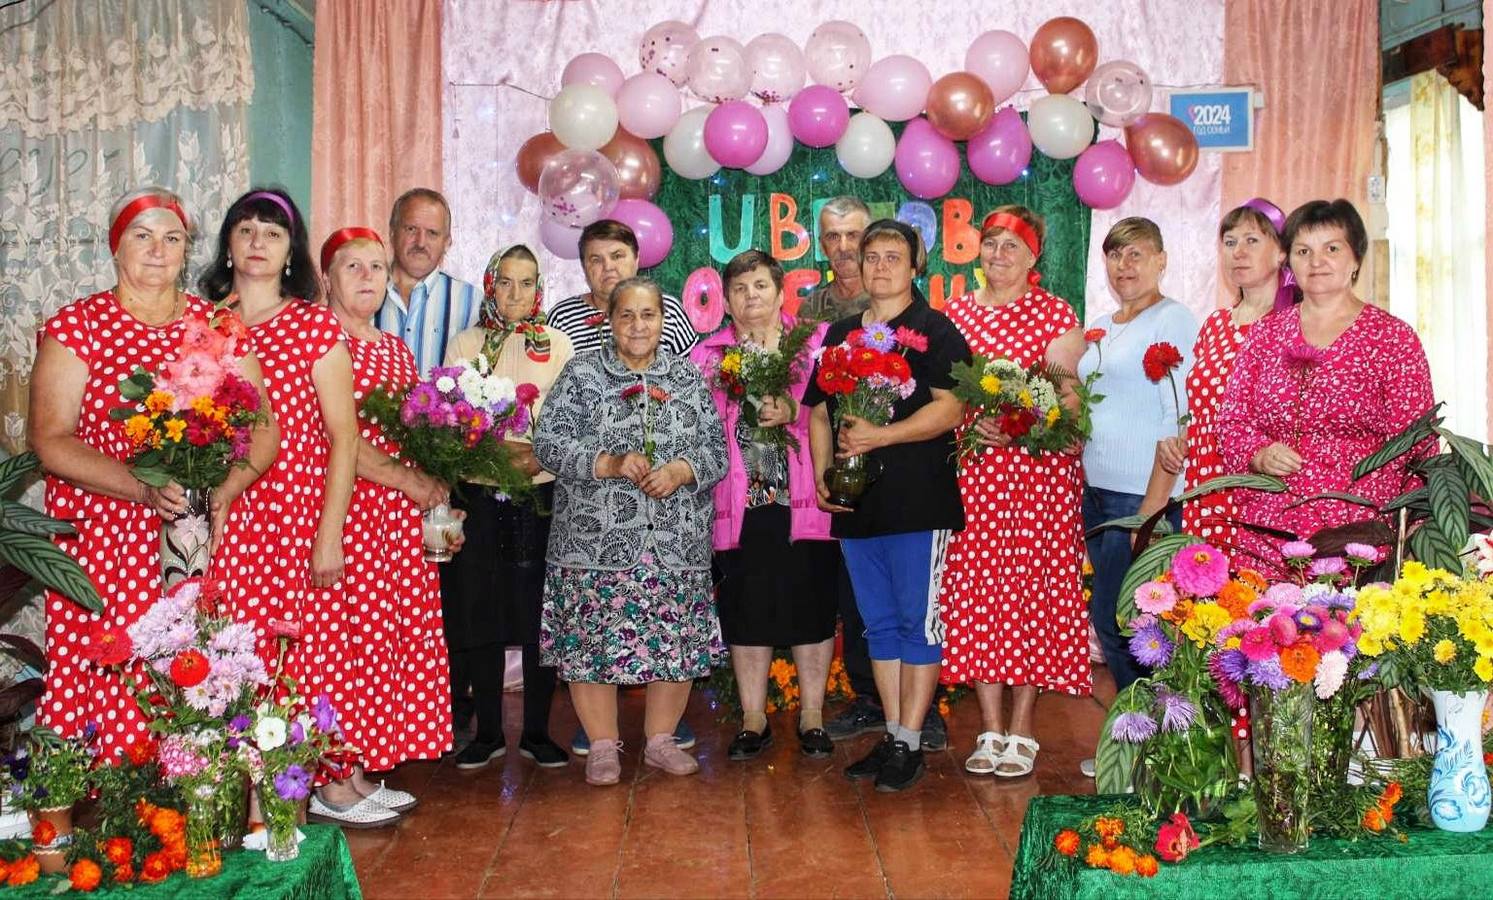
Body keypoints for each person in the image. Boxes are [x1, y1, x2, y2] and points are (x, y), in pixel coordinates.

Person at [29, 187, 278, 758]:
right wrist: (142, 487)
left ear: (187, 250)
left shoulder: (217, 324)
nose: (158, 250)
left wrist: (226, 489)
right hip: (103, 536)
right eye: (142, 236)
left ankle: (194, 791)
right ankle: (107, 792)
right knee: (106, 666)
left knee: (198, 668)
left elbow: (263, 428)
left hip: (201, 537)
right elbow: (49, 439)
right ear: (116, 247)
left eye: (172, 238)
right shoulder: (77, 327)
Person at [535, 276, 727, 786]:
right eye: (627, 315)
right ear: (609, 321)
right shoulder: (582, 374)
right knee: (591, 642)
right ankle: (602, 746)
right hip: (592, 542)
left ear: (663, 321)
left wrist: (682, 470)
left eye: (648, 315)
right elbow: (547, 443)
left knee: (675, 642)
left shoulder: (686, 376)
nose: (638, 325)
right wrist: (608, 462)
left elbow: (717, 451)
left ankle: (660, 741)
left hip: (675, 541)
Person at [802, 219, 971, 793]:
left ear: (916, 265)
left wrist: (882, 436)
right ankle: (896, 733)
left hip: (918, 502)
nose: (879, 266)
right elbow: (818, 411)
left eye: (892, 256)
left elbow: (951, 409)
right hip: (858, 505)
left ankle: (911, 741)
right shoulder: (842, 333)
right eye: (870, 256)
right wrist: (825, 475)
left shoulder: (934, 329)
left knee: (916, 623)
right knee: (876, 626)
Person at [306, 227, 455, 825]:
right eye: (352, 267)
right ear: (327, 277)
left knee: (377, 644)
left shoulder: (394, 349)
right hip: (346, 511)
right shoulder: (319, 342)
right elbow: (335, 438)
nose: (367, 277)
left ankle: (359, 773)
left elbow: (411, 437)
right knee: (340, 645)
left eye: (376, 267)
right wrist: (408, 482)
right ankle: (333, 785)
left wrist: (435, 499)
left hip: (393, 520)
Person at [938, 207, 1090, 778]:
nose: (999, 254)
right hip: (975, 478)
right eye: (991, 243)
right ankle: (988, 727)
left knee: (1031, 593)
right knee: (978, 593)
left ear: (1033, 256)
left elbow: (1069, 402)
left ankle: (1022, 728)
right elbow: (943, 395)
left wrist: (1021, 426)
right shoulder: (955, 314)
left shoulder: (1056, 315)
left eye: (1012, 245)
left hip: (1037, 479)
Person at [1220, 199, 1434, 570]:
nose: (1316, 261)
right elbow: (1232, 421)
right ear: (1290, 262)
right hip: (1270, 527)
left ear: (1356, 259)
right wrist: (1259, 453)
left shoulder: (1392, 338)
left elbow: (1419, 443)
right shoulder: (1266, 334)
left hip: (1358, 533)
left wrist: (1415, 529)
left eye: (1331, 249)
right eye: (1303, 251)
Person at [198, 188, 360, 676]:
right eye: (246, 230)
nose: (257, 243)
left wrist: (330, 534)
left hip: (296, 517)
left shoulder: (314, 326)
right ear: (228, 245)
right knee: (222, 655)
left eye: (272, 234)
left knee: (296, 662)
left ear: (291, 251)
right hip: (222, 510)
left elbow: (345, 437)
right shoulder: (202, 323)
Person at [689, 250, 838, 760]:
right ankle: (753, 719)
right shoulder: (707, 356)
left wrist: (795, 410)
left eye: (759, 286)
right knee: (745, 609)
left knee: (812, 607)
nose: (750, 296)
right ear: (727, 301)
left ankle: (813, 716)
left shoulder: (816, 344)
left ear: (779, 292)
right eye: (739, 288)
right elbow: (694, 427)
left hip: (805, 502)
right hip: (739, 504)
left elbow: (838, 411)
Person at [441, 245, 574, 770]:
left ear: (539, 288)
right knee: (481, 610)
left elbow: (570, 419)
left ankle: (537, 731)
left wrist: (537, 453)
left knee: (538, 611)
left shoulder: (557, 345)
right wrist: (490, 454)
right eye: (505, 282)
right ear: (490, 285)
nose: (515, 293)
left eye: (526, 282)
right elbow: (450, 418)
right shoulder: (466, 343)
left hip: (539, 494)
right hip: (477, 493)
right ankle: (489, 732)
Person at [1076, 217, 1198, 710]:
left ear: (1161, 261)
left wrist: (1151, 508)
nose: (1124, 265)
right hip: (1097, 494)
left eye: (1136, 254)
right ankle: (1140, 725)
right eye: (1115, 254)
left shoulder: (1173, 320)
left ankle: (1149, 727)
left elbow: (1177, 417)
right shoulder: (1105, 326)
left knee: (1125, 619)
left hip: (1138, 499)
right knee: (1115, 618)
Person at [1138, 199, 1298, 545]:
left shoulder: (1297, 324)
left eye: (1251, 240)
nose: (1238, 252)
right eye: (1230, 242)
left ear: (1281, 252)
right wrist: (1179, 441)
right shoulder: (1215, 324)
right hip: (1207, 483)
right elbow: (1202, 408)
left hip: (1263, 487)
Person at [545, 219, 698, 356]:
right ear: (584, 268)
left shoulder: (668, 310)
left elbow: (696, 372)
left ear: (636, 259)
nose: (608, 267)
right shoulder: (561, 319)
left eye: (617, 256)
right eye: (596, 260)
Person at [375, 188, 482, 376]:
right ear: (392, 233)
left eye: (432, 233)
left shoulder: (473, 302)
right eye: (411, 229)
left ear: (447, 242)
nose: (420, 242)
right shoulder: (362, 294)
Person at [799, 196, 871, 321]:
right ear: (822, 246)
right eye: (833, 237)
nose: (843, 247)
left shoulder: (889, 300)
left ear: (869, 241)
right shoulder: (813, 307)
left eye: (852, 235)